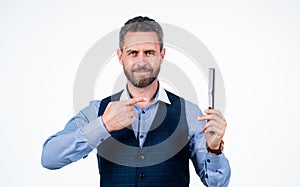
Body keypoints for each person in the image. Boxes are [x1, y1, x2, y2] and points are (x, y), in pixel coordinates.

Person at [41, 16, 231, 186]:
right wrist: (104, 125)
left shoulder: (189, 112)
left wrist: (214, 149)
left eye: (149, 52)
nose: (141, 61)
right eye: (133, 53)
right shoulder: (97, 110)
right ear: (120, 56)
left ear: (161, 55)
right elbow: (49, 158)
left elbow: (217, 184)